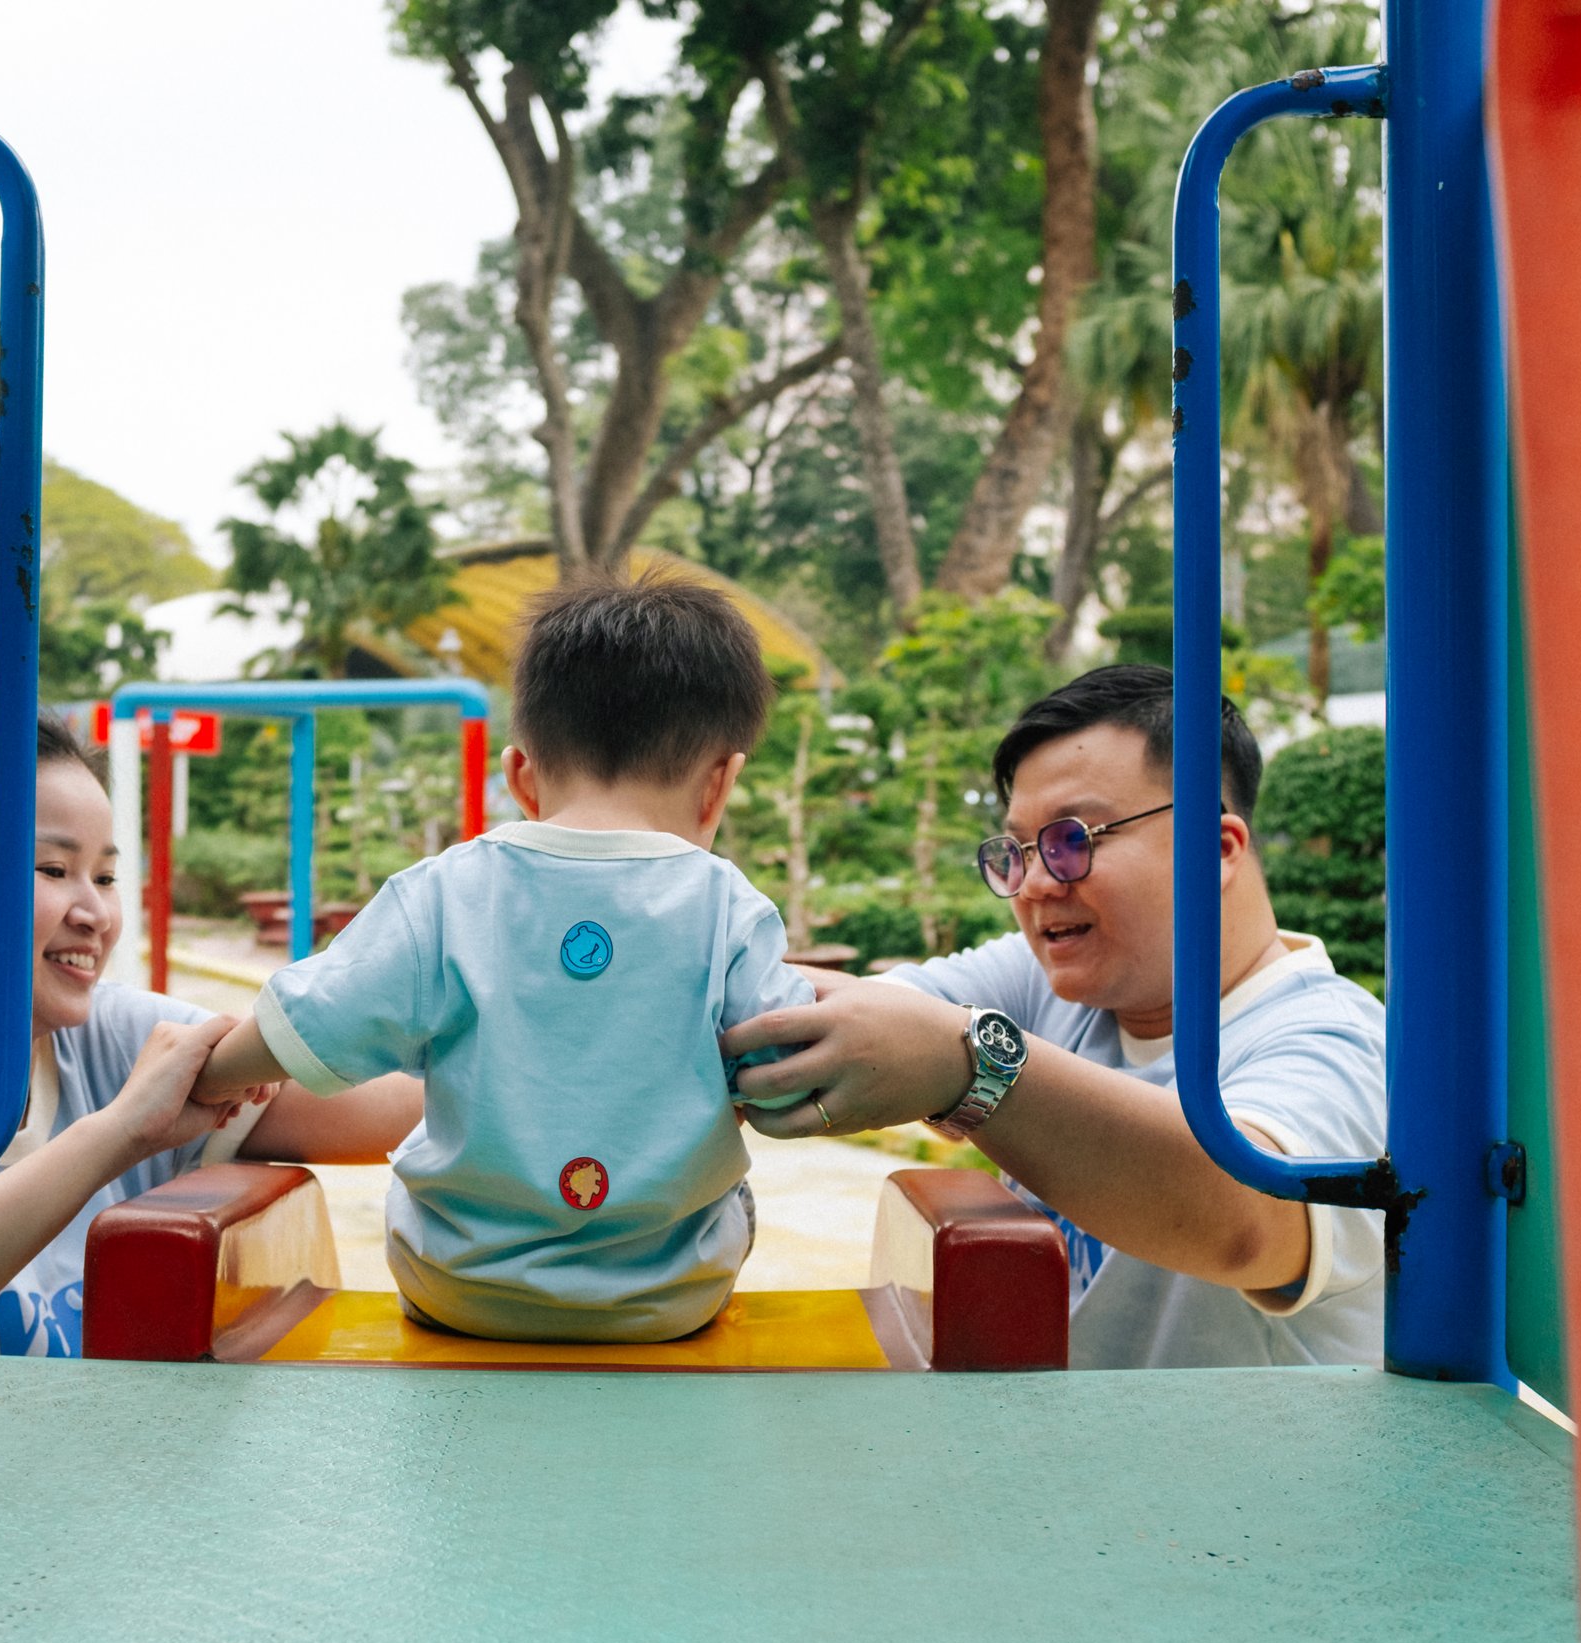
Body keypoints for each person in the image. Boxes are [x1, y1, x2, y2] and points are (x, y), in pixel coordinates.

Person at [193, 575, 815, 1342]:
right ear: (721, 781)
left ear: (521, 774)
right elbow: (792, 1076)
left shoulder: (444, 892)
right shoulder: (730, 907)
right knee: (730, 1191)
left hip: (456, 1286)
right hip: (667, 1296)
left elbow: (304, 1027)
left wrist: (210, 1074)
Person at [725, 665, 1387, 1368]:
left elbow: (1251, 1217)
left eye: (1072, 840)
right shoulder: (1051, 984)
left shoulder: (1336, 1043)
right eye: (1017, 851)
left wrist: (968, 1067)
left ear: (1214, 849)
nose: (1036, 884)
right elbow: (853, 1013)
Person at [0, 698, 418, 1356]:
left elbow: (390, 1105)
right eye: (53, 869)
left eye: (104, 876)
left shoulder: (117, 1039)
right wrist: (119, 1133)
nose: (97, 912)